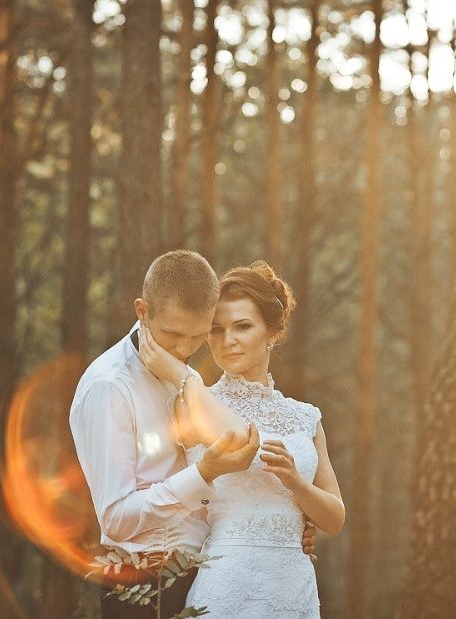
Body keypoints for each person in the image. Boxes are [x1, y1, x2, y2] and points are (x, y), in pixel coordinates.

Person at [69, 250, 319, 619]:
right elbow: (116, 518)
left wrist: (280, 523)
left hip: (203, 579)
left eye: (198, 336)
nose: (185, 349)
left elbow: (242, 442)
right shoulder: (110, 387)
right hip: (143, 585)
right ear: (142, 311)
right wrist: (203, 475)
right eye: (173, 335)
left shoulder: (182, 376)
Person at [139, 260, 345, 618]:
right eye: (216, 330)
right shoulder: (191, 403)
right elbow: (239, 441)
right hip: (226, 584)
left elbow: (335, 517)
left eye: (243, 327)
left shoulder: (306, 417)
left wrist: (296, 484)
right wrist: (179, 373)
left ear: (272, 332)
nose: (228, 341)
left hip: (293, 587)